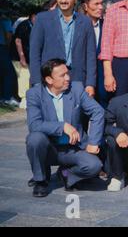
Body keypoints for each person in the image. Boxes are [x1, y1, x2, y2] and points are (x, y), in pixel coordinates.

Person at [25, 59, 104, 197]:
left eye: (67, 73)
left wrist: (93, 142)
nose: (67, 78)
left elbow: (98, 111)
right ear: (49, 79)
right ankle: (41, 180)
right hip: (49, 148)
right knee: (34, 139)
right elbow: (34, 124)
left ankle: (66, 174)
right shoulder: (34, 94)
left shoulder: (77, 88)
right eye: (62, 75)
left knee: (94, 166)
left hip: (73, 148)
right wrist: (62, 126)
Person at [30, 0, 97, 99]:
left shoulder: (86, 22)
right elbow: (34, 53)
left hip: (78, 80)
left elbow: (91, 56)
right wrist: (36, 82)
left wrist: (90, 84)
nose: (63, 0)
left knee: (75, 118)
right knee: (51, 117)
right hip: (50, 81)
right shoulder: (42, 19)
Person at [80, 0, 111, 109]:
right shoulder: (77, 27)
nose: (100, 7)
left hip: (104, 84)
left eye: (101, 3)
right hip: (84, 82)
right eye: (96, 4)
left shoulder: (107, 25)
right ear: (85, 6)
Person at [10, 7, 39, 109]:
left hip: (29, 56)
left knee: (30, 77)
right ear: (32, 16)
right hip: (19, 56)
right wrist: (22, 57)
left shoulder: (36, 26)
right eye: (37, 17)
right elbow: (18, 41)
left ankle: (31, 99)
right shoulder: (24, 25)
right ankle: (24, 99)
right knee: (24, 77)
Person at [0, 12, 19, 107]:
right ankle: (7, 97)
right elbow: (8, 35)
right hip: (2, 47)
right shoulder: (5, 20)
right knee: (8, 73)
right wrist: (8, 45)